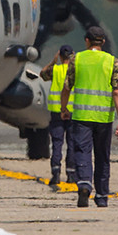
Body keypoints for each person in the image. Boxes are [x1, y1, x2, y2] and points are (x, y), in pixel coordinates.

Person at [59, 26, 118, 208]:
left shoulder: (76, 59)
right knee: (103, 156)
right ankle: (102, 196)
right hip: (104, 118)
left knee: (82, 152)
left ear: (86, 41)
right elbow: (117, 92)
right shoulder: (112, 61)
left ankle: (84, 184)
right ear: (103, 42)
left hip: (81, 116)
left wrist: (64, 109)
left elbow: (66, 88)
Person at [40, 44, 76, 188]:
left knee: (57, 143)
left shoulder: (55, 70)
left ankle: (55, 173)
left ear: (60, 56)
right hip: (73, 111)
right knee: (72, 143)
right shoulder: (76, 71)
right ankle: (71, 174)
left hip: (56, 112)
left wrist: (53, 61)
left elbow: (42, 74)